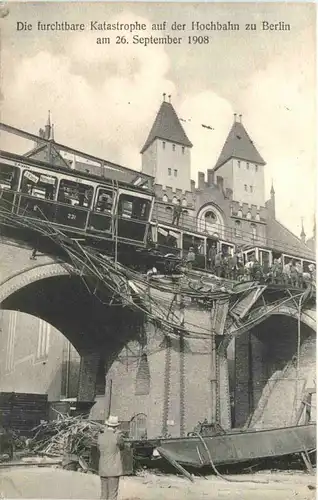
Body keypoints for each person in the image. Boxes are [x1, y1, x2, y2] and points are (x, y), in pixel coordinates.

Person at [98, 415, 126, 500]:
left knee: (103, 494)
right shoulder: (117, 436)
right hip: (114, 470)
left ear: (107, 425)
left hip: (103, 468)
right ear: (116, 427)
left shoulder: (100, 436)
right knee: (112, 495)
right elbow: (122, 447)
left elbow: (98, 448)